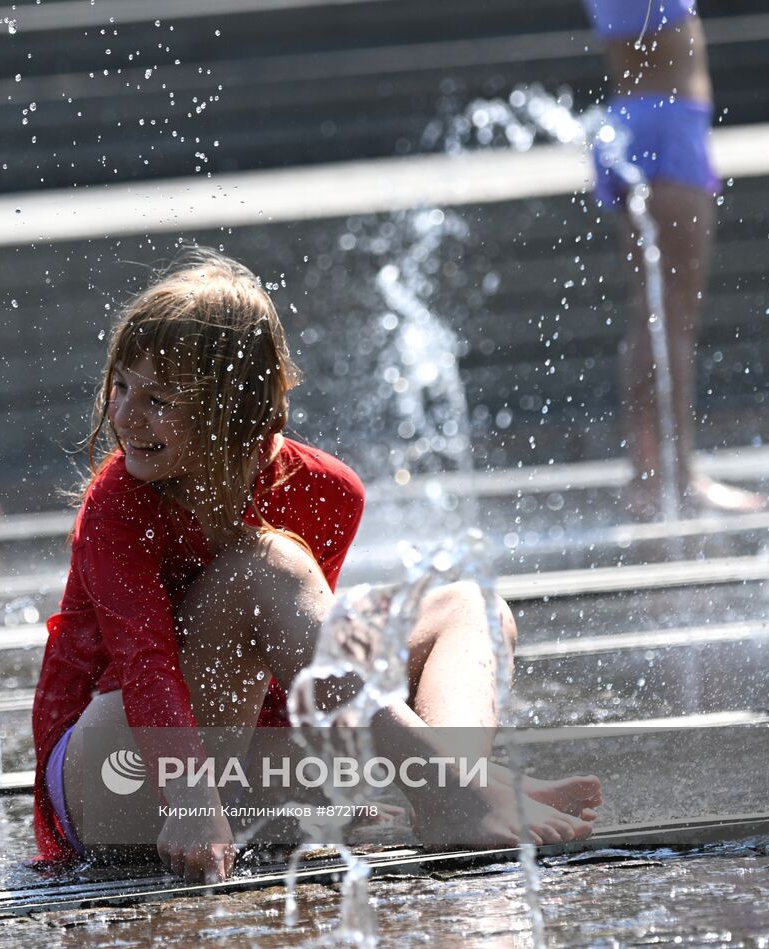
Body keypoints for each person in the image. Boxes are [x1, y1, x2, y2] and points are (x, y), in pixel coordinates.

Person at [31, 250, 602, 882]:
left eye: (158, 398)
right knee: (262, 565)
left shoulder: (329, 491)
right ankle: (457, 793)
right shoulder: (115, 508)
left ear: (235, 409)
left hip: (237, 767)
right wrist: (189, 798)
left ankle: (458, 785)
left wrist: (319, 788)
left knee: (468, 606)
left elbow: (295, 674)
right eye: (121, 387)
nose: (125, 416)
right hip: (114, 781)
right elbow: (146, 668)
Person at [584, 0, 767, 519]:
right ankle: (672, 477)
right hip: (669, 125)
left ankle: (649, 473)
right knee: (673, 316)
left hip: (638, 119)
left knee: (654, 312)